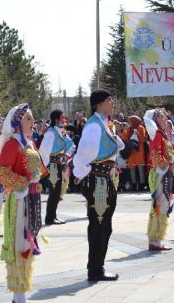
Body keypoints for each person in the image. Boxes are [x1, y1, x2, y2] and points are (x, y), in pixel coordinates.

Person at [0, 103, 49, 303]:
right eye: (28, 119)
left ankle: (22, 296)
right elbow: (2, 173)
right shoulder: (11, 145)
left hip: (31, 198)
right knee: (21, 243)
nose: (32, 122)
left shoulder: (29, 143)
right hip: (19, 200)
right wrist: (21, 186)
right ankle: (19, 297)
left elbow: (35, 171)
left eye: (32, 118)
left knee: (28, 242)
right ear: (17, 122)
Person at [73, 89, 124, 281]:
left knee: (104, 225)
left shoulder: (103, 124)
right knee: (99, 224)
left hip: (104, 178)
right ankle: (95, 269)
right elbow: (83, 153)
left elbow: (117, 147)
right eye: (109, 100)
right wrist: (80, 173)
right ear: (99, 104)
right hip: (98, 181)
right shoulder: (94, 126)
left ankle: (97, 266)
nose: (113, 103)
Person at [143, 109, 174, 251]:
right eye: (162, 116)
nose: (166, 118)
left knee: (160, 206)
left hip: (164, 173)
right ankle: (155, 240)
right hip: (161, 174)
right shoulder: (157, 135)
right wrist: (167, 164)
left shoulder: (161, 134)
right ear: (156, 120)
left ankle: (156, 239)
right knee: (159, 206)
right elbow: (155, 154)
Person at [39, 110, 75, 226]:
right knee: (54, 191)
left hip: (59, 164)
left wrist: (66, 156)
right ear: (56, 120)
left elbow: (71, 146)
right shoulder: (51, 133)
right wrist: (45, 166)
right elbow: (44, 151)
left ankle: (52, 216)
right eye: (63, 118)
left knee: (57, 191)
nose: (65, 120)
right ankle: (50, 218)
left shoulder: (60, 132)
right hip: (53, 165)